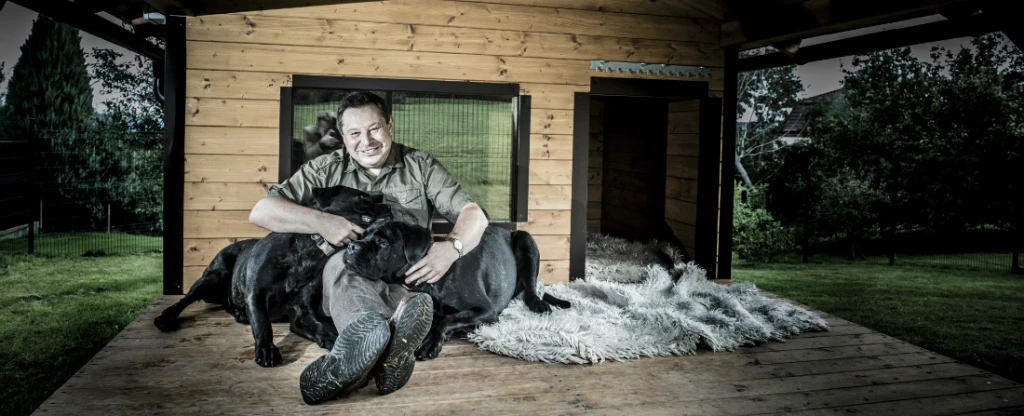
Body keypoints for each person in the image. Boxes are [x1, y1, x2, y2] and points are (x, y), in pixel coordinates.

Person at [249, 92, 489, 404]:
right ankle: (376, 342)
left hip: (404, 279)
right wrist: (322, 221)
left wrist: (451, 248)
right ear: (343, 136)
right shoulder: (324, 169)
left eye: (374, 129)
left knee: (415, 299)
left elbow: (475, 216)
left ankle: (369, 355)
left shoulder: (421, 167)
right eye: (355, 133)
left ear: (390, 125)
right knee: (346, 270)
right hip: (344, 276)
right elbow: (262, 210)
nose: (367, 141)